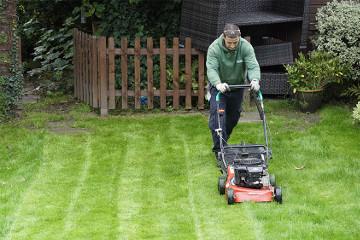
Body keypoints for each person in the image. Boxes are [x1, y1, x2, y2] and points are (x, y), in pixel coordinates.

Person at [206, 23, 261, 161]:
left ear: (239, 37)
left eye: (235, 42)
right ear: (224, 37)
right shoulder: (214, 48)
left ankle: (223, 140)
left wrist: (254, 80)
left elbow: (253, 65)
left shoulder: (245, 47)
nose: (232, 45)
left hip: (236, 88)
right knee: (218, 118)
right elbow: (211, 69)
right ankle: (220, 151)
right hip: (219, 88)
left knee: (234, 117)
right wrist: (218, 83)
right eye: (229, 42)